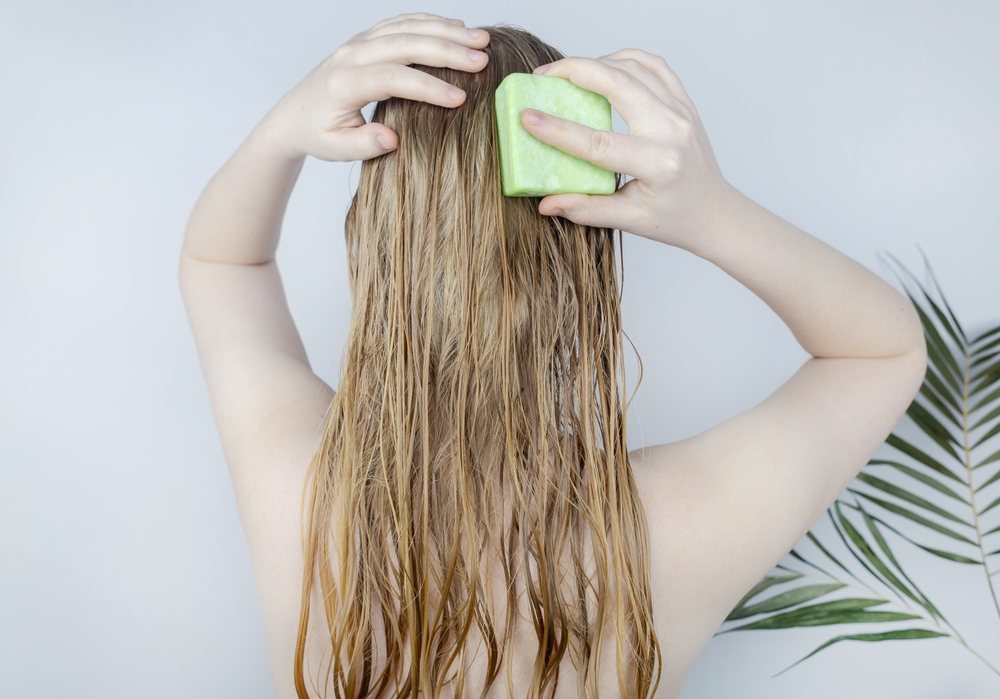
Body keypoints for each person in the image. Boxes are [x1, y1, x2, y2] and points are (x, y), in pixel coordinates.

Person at [179, 12, 927, 699]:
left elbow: (222, 265)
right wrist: (712, 211)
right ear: (584, 254)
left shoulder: (302, 498)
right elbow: (880, 352)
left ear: (377, 235)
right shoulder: (669, 534)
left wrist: (280, 129)